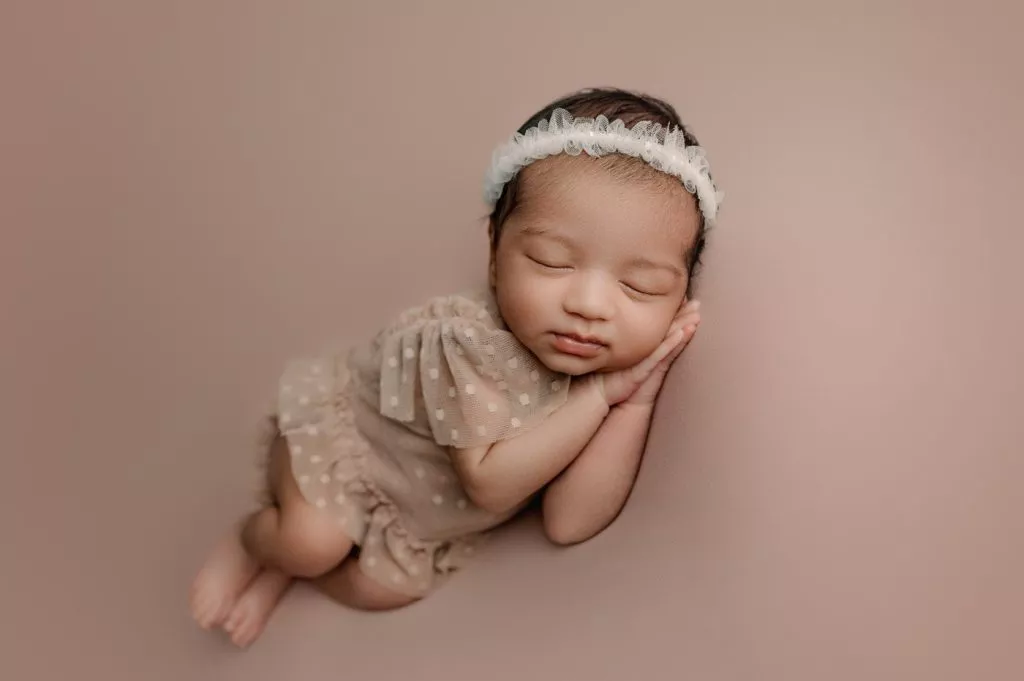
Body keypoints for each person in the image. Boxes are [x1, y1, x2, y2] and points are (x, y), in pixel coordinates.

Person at [189, 86, 723, 648]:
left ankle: (287, 573)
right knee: (310, 542)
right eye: (551, 262)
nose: (589, 305)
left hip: (418, 512)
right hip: (355, 454)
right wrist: (599, 396)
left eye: (641, 286)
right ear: (494, 252)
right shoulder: (468, 344)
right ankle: (252, 542)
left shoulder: (601, 367)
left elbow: (569, 522)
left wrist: (634, 398)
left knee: (381, 590)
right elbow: (489, 486)